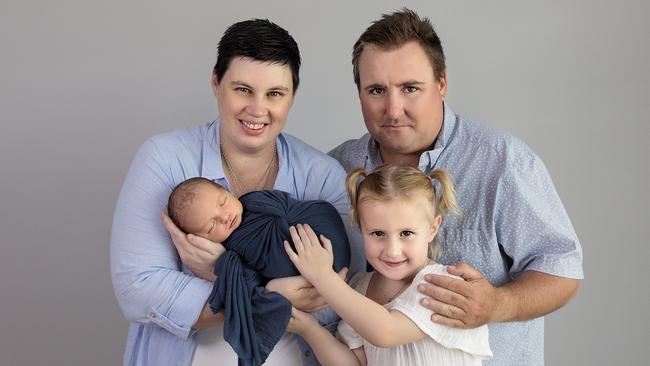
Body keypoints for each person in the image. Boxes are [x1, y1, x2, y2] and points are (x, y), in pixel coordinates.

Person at [328, 8, 583, 365]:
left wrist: (498, 304)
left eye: (410, 88)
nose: (393, 108)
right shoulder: (335, 169)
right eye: (376, 90)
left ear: (442, 84)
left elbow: (563, 269)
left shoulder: (502, 161)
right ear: (359, 93)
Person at [111, 19, 362, 366]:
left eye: (275, 93)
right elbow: (137, 290)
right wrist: (269, 294)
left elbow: (344, 298)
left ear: (292, 97)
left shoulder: (322, 176)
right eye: (242, 89)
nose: (257, 109)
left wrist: (221, 274)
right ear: (216, 83)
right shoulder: (165, 160)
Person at [285, 164, 493, 366]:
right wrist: (311, 330)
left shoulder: (442, 286)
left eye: (406, 233)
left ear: (432, 228)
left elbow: (386, 332)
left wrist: (322, 277)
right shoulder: (358, 290)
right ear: (360, 227)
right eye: (378, 234)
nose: (392, 251)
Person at [165, 177, 351, 365]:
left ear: (227, 190)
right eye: (211, 225)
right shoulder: (232, 250)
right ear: (200, 240)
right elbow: (249, 281)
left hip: (321, 243)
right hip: (310, 275)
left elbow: (282, 202)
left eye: (222, 202)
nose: (224, 217)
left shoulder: (254, 200)